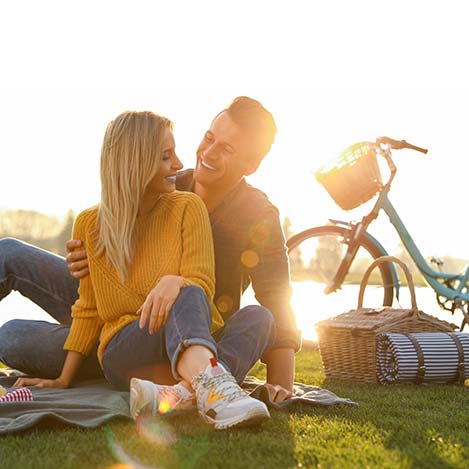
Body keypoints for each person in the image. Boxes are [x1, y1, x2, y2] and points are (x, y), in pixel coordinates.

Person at [0, 96, 301, 406]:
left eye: (226, 149)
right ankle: (140, 364)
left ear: (250, 165)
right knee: (9, 268)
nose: (207, 153)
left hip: (188, 324)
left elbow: (277, 298)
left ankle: (183, 380)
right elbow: (114, 221)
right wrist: (86, 257)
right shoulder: (164, 181)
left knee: (257, 316)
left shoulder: (258, 214)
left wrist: (280, 384)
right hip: (116, 311)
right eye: (209, 138)